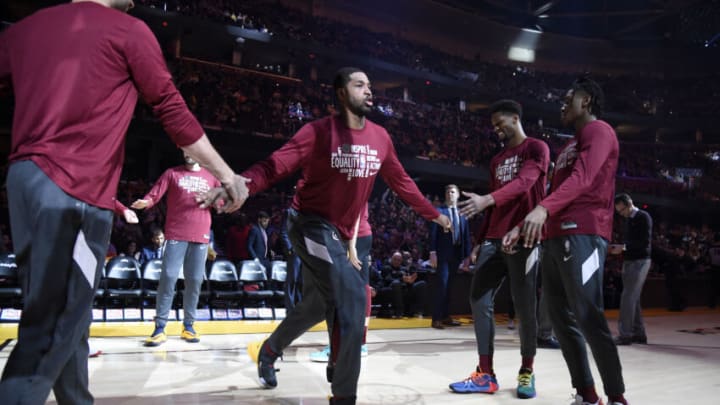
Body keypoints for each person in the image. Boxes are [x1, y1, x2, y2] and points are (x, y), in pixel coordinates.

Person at [0, 1, 249, 403]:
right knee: (50, 327)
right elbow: (172, 109)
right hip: (75, 188)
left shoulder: (25, 29)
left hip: (24, 180)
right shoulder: (127, 31)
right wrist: (226, 173)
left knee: (71, 317)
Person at [200, 67, 450, 405]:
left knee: (318, 306)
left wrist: (434, 215)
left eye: (370, 85)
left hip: (352, 233)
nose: (369, 90)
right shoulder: (317, 132)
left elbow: (402, 182)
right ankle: (343, 394)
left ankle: (270, 350)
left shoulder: (380, 138)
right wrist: (243, 184)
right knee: (354, 295)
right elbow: (275, 165)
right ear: (341, 93)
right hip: (310, 225)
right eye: (360, 85)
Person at [503, 77, 629, 405]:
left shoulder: (599, 131)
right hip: (556, 237)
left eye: (568, 98)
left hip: (584, 233)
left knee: (588, 315)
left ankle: (616, 397)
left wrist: (543, 209)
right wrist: (524, 224)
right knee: (560, 321)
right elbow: (554, 192)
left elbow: (583, 179)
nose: (562, 104)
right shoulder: (569, 145)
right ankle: (587, 394)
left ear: (585, 101)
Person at [450, 99, 549, 399]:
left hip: (524, 239)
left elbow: (524, 183)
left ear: (515, 118)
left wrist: (486, 200)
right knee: (478, 299)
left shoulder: (536, 148)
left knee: (524, 306)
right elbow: (496, 205)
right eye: (493, 126)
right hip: (493, 240)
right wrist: (478, 243)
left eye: (499, 123)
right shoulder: (496, 161)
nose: (496, 130)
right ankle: (485, 374)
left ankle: (527, 370)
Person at [132, 153, 220, 346]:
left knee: (195, 281)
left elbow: (221, 203)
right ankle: (160, 328)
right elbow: (155, 192)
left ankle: (188, 326)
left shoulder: (211, 177)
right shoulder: (172, 173)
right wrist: (146, 202)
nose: (189, 154)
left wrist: (227, 200)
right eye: (185, 150)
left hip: (201, 235)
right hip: (176, 233)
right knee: (168, 278)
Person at [610, 193, 652, 345]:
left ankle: (625, 335)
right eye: (619, 212)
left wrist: (623, 247)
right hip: (629, 261)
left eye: (622, 210)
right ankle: (639, 333)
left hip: (640, 261)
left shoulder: (643, 216)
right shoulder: (628, 220)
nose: (621, 214)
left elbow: (645, 243)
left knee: (628, 297)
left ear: (629, 204)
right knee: (633, 298)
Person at [429, 184, 471, 329]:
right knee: (442, 285)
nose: (450, 194)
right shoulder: (439, 211)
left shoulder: (463, 214)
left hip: (456, 254)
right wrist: (432, 252)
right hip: (442, 255)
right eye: (447, 192)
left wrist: (467, 257)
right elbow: (433, 233)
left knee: (450, 287)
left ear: (458, 195)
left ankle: (446, 316)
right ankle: (436, 319)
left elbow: (466, 236)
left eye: (453, 192)